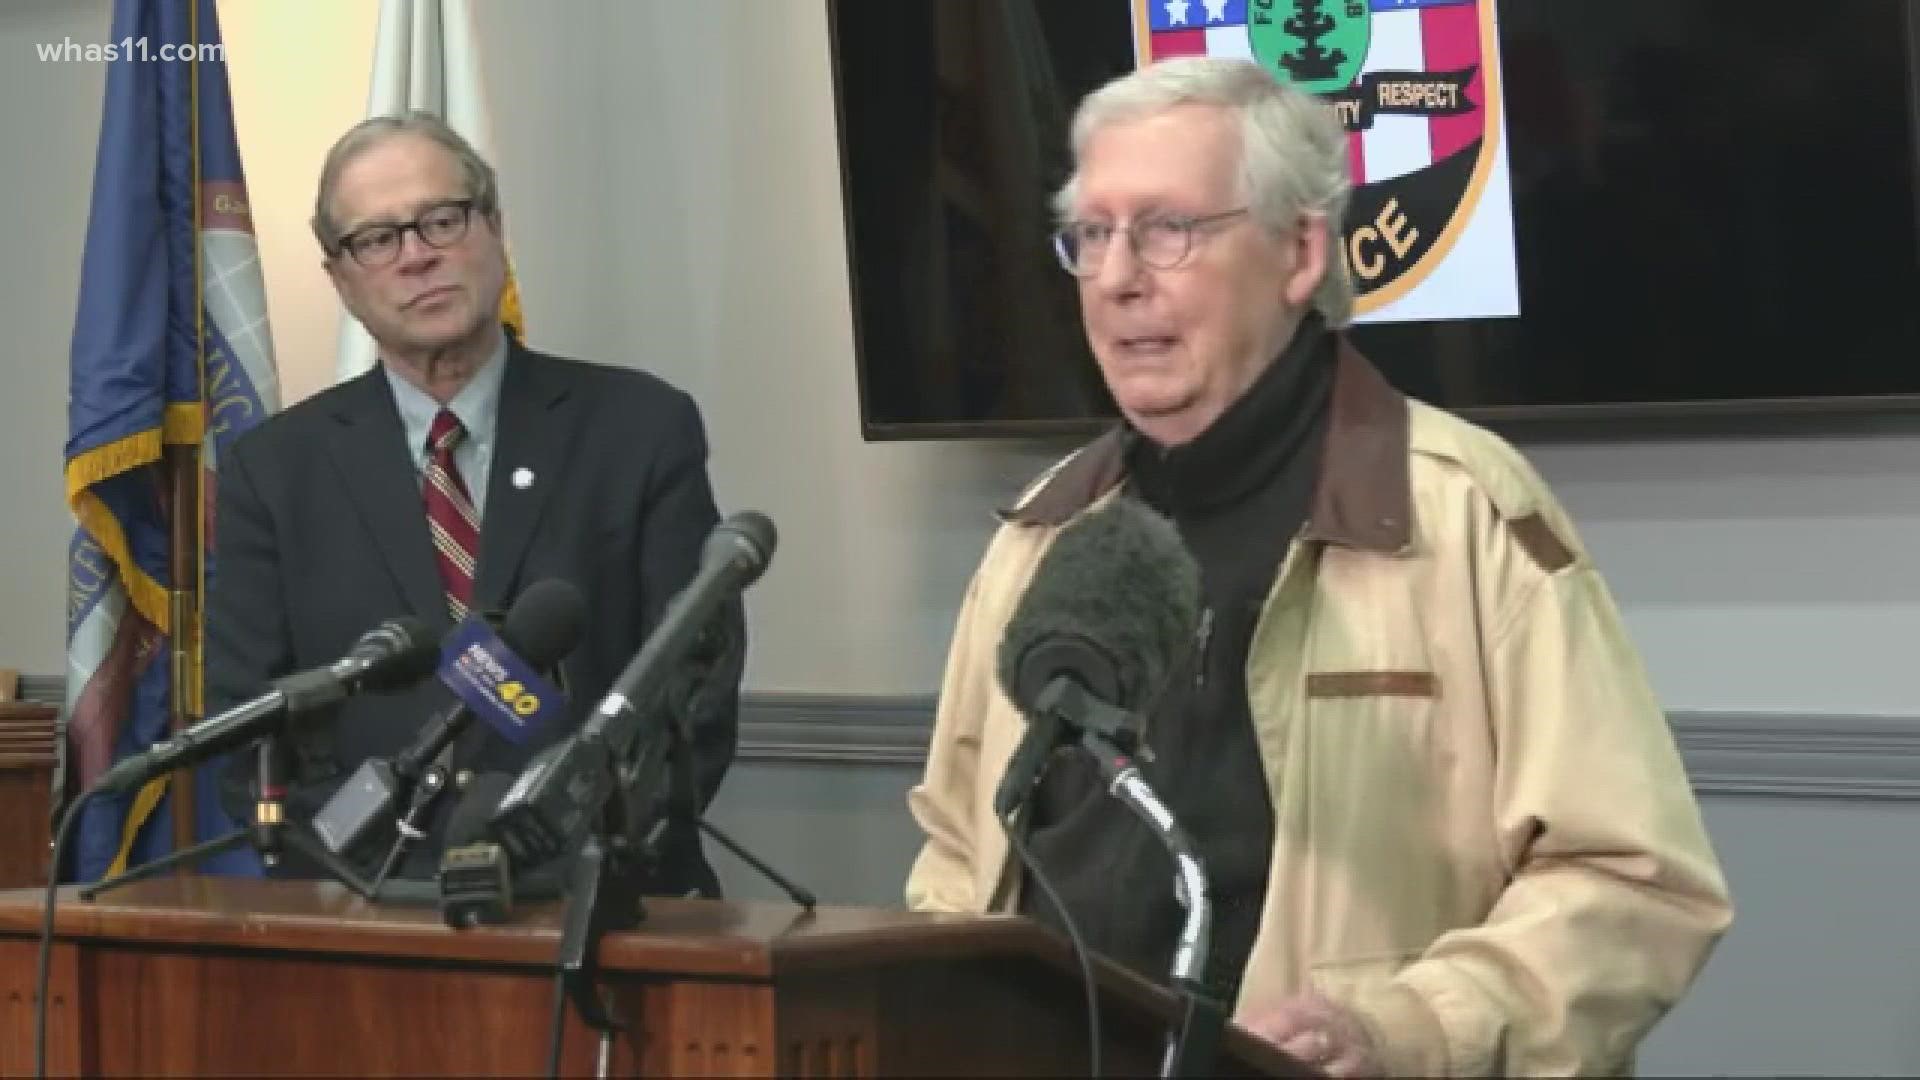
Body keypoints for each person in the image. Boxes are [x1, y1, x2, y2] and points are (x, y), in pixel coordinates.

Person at [903, 57, 1732, 1077]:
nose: (1117, 278)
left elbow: (1634, 882)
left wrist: (1412, 1028)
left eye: (1167, 230)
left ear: (1300, 252)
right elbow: (957, 856)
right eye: (1091, 235)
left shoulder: (1461, 512)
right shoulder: (1041, 537)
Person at [205, 111, 740, 895]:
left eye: (442, 220)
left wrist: (549, 853)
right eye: (377, 239)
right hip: (376, 911)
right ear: (341, 278)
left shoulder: (640, 428)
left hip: (605, 908)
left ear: (493, 229)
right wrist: (404, 879)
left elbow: (693, 696)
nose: (417, 255)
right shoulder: (275, 470)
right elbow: (250, 733)